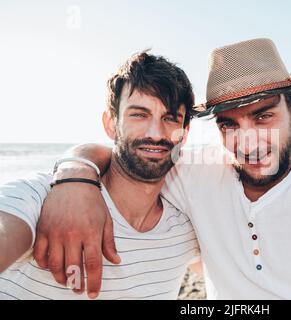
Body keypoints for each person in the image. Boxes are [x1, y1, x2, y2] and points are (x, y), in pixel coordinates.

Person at [7, 38, 291, 299]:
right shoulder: (198, 176)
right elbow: (131, 156)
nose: (249, 140)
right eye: (229, 124)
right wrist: (75, 173)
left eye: (264, 116)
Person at [0, 50, 201, 299]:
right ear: (110, 124)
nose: (156, 133)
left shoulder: (185, 227)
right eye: (139, 114)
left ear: (185, 131)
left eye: (170, 118)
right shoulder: (45, 199)